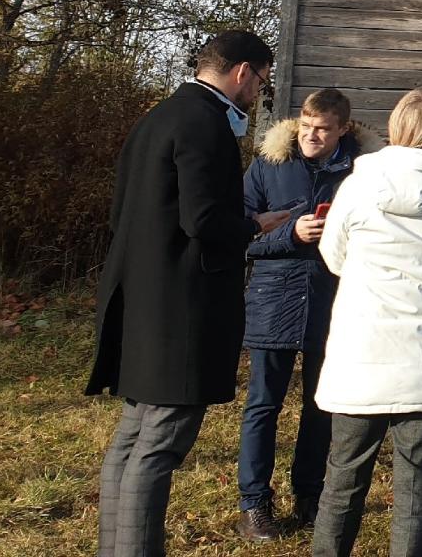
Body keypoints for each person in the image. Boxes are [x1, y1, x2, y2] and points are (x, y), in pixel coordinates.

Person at [88, 29, 295, 557]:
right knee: (159, 445)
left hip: (140, 298)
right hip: (181, 308)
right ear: (242, 71)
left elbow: (124, 213)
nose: (258, 96)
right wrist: (254, 226)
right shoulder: (204, 124)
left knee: (134, 437)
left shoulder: (156, 118)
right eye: (261, 84)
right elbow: (202, 219)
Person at [311, 88, 422, 557]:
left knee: (343, 474)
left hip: (362, 351)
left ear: (397, 127)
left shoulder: (357, 185)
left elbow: (333, 257)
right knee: (416, 479)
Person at [236, 88, 381, 540]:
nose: (311, 136)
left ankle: (309, 496)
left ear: (343, 130)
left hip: (334, 301)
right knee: (263, 404)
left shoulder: (364, 172)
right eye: (305, 125)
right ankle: (254, 504)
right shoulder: (268, 165)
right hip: (273, 299)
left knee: (322, 407)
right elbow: (239, 236)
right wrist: (292, 235)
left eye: (322, 129)